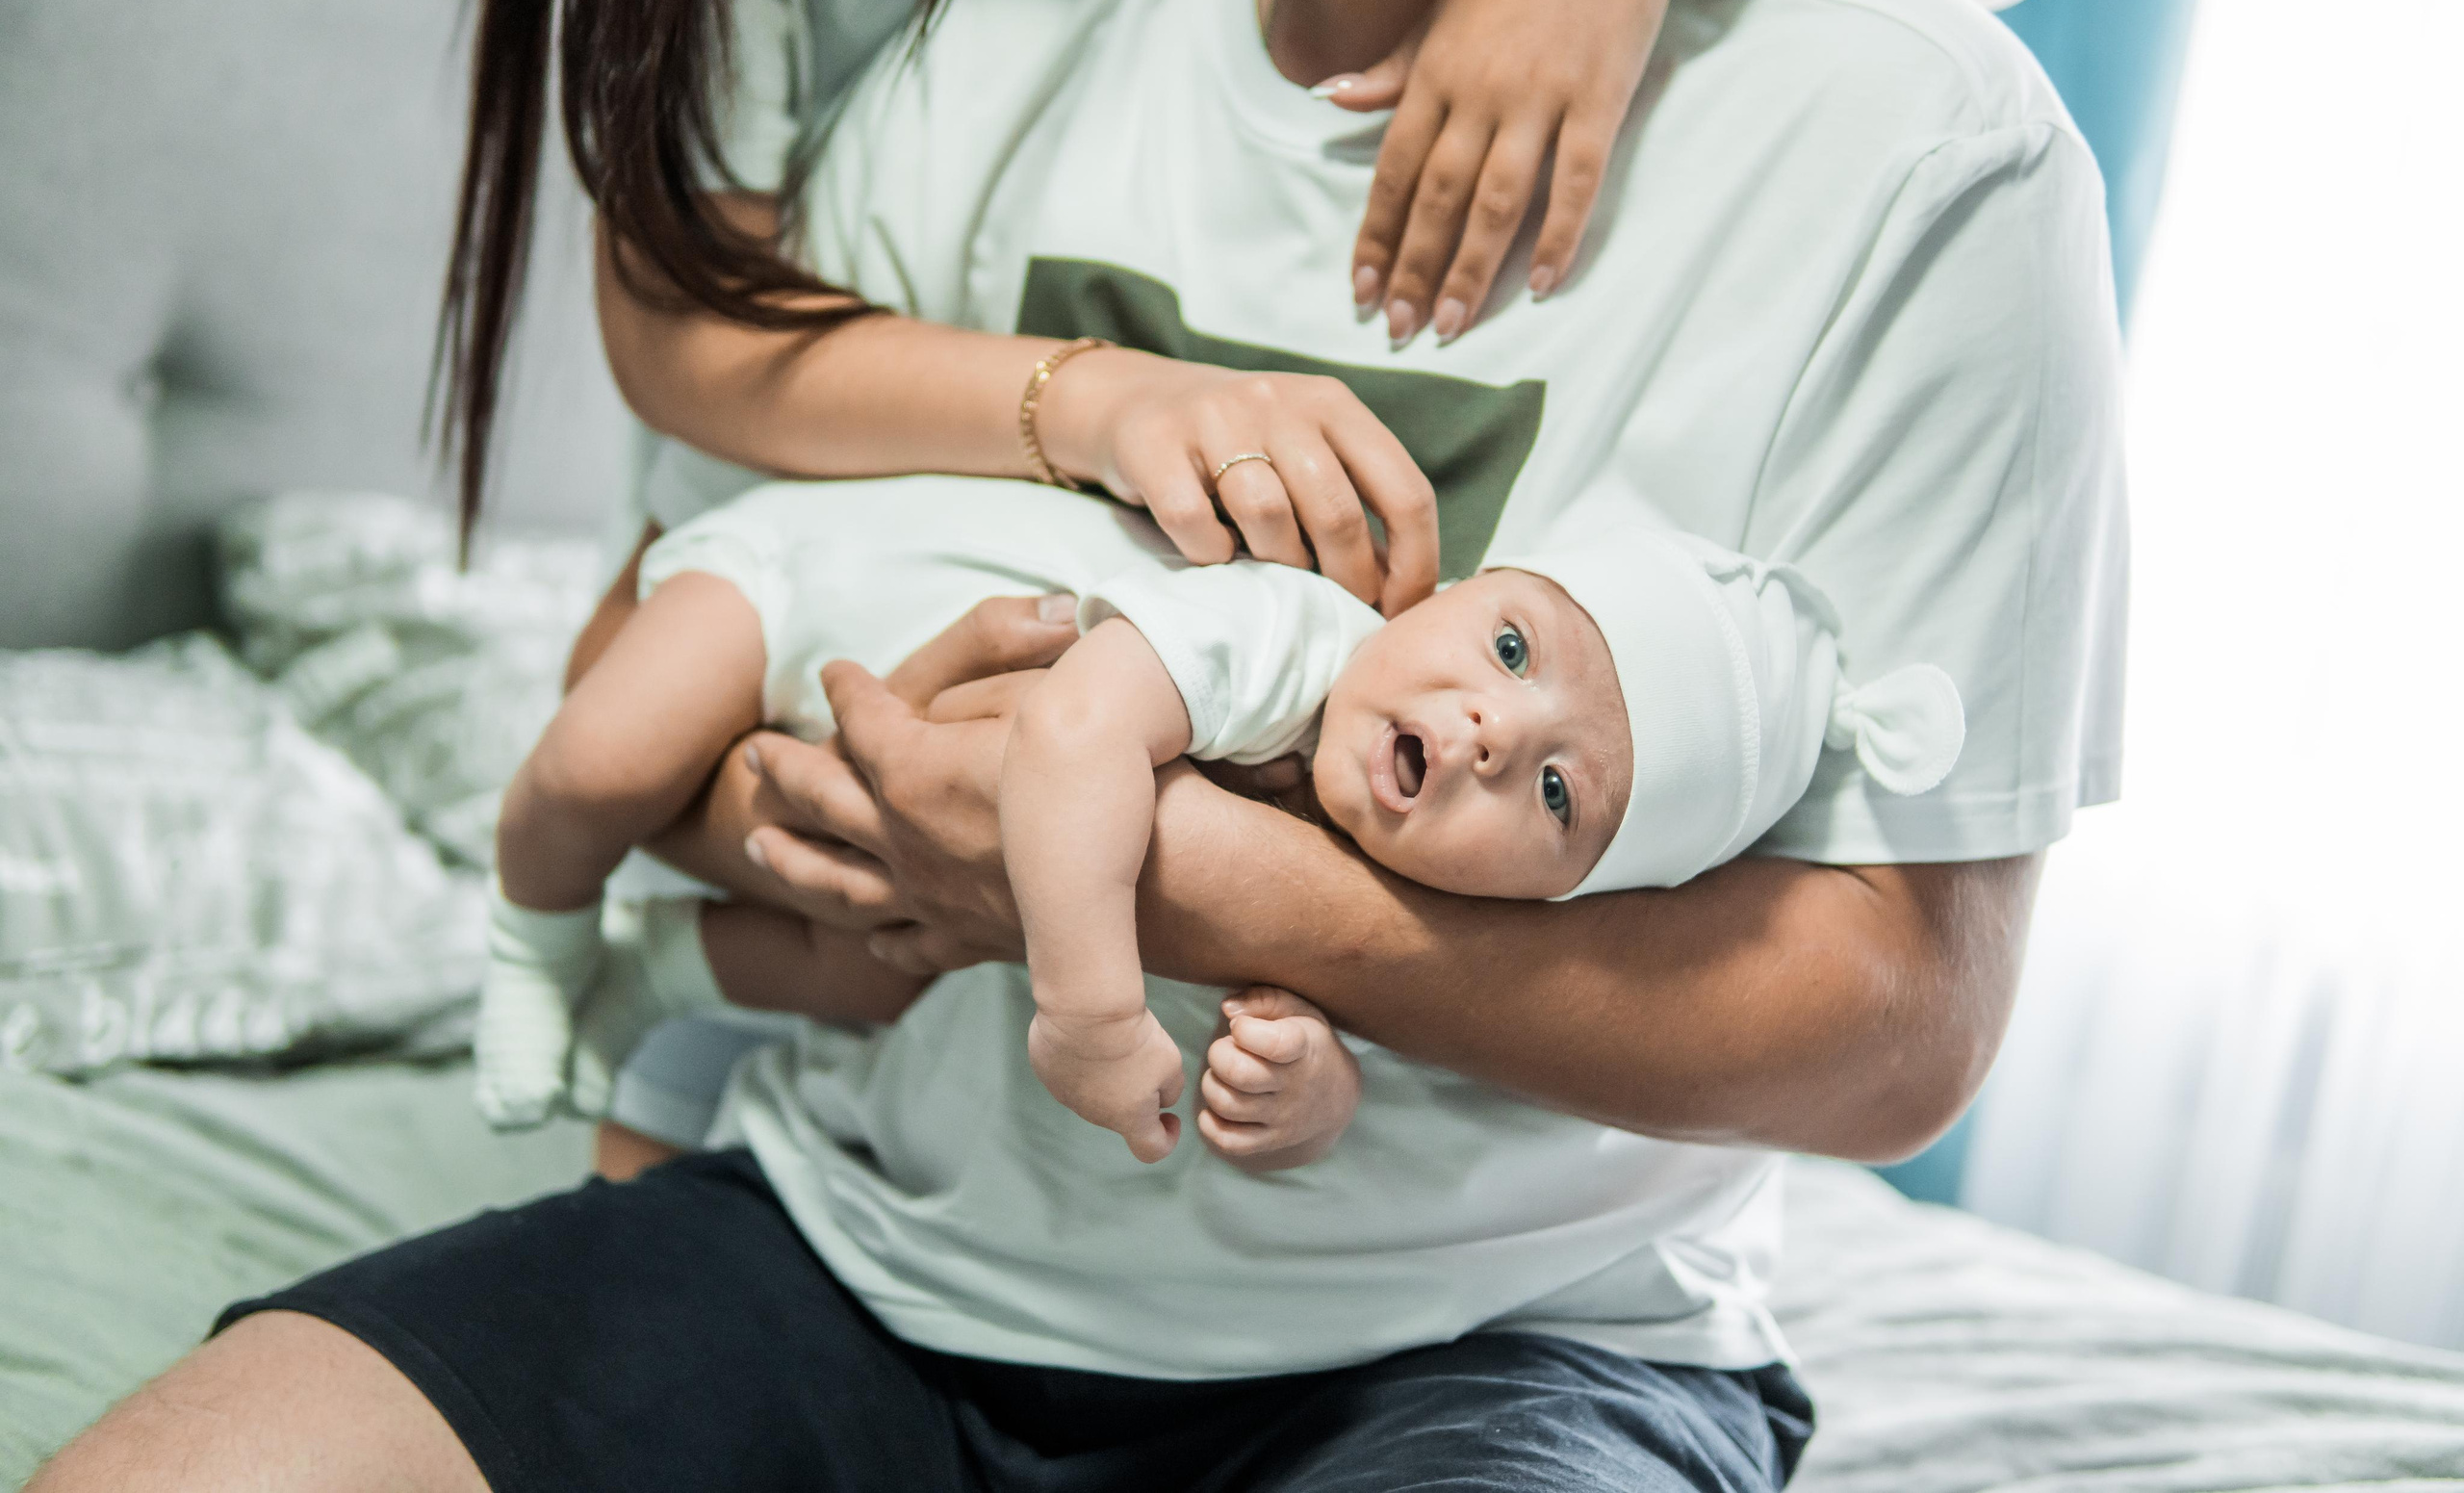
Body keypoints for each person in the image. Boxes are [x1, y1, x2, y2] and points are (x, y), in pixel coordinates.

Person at [32, 0, 2113, 1488]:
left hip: (1507, 1343)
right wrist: (811, 818)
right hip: (865, 1246)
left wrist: (1160, 875)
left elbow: (1894, 1027)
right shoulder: (975, 55)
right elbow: (674, 607)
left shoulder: (1916, 151)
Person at [473, 474, 1964, 1165]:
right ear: (1458, 589)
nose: (1494, 730)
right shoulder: (1293, 638)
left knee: (883, 963)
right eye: (1513, 650)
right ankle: (532, 936)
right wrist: (1089, 1014)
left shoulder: (1401, 873)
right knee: (602, 761)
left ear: (1556, 897)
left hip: (885, 794)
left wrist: (1305, 1093)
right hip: (792, 585)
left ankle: (654, 975)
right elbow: (1066, 734)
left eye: (1561, 794)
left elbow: (1331, 997)